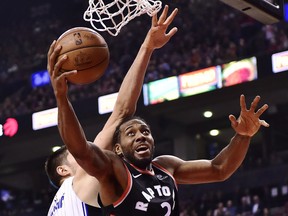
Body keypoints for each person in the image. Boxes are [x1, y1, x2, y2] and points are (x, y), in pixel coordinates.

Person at [53, 9, 270, 216]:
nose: (140, 135)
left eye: (145, 131)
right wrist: (62, 98)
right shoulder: (113, 170)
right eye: (131, 134)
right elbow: (83, 146)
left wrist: (242, 136)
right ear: (117, 149)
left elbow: (219, 169)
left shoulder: (166, 167)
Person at [46, 4, 178, 216]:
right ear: (63, 170)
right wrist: (146, 48)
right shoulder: (77, 181)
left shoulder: (56, 207)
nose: (91, 144)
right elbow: (122, 111)